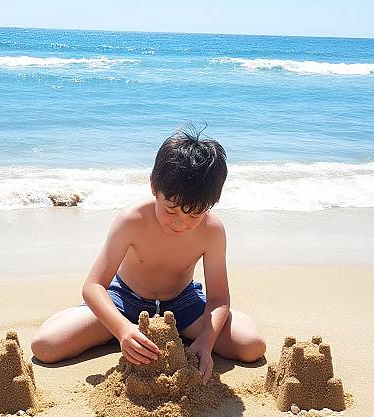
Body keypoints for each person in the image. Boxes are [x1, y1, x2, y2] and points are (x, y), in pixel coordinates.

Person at [31, 126, 265, 383]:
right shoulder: (131, 220)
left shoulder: (212, 230)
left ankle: (152, 332)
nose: (181, 223)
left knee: (252, 345)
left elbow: (219, 299)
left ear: (209, 205)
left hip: (182, 303)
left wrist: (205, 342)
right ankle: (107, 326)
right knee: (46, 346)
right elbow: (93, 286)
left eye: (194, 214)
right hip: (124, 300)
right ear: (154, 186)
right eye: (171, 209)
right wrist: (122, 330)